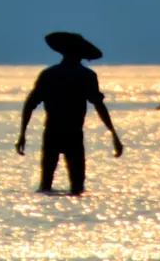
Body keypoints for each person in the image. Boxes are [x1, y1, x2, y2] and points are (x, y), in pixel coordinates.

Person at [15, 31, 123, 194]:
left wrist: (22, 134)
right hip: (72, 133)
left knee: (45, 185)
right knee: (77, 187)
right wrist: (113, 134)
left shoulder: (49, 74)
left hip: (54, 133)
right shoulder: (86, 76)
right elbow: (99, 106)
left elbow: (30, 104)